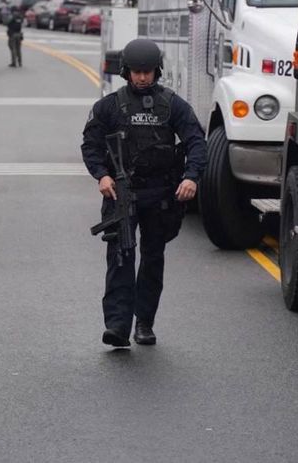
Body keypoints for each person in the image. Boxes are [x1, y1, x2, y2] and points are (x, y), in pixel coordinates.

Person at [80, 38, 206, 348]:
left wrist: (191, 177)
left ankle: (144, 323)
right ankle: (118, 326)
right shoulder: (108, 106)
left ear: (157, 71)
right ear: (126, 72)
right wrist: (102, 175)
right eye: (136, 72)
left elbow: (196, 142)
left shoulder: (172, 104)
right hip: (120, 194)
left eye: (147, 72)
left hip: (160, 194)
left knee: (152, 259)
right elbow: (91, 146)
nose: (142, 78)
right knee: (121, 257)